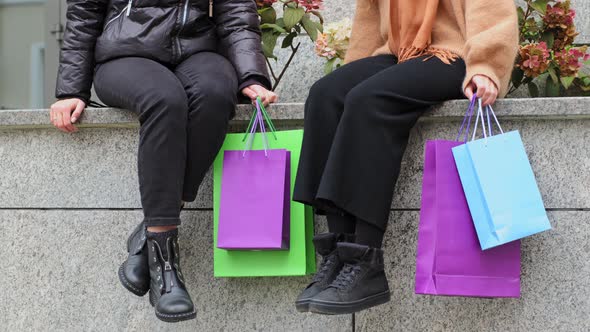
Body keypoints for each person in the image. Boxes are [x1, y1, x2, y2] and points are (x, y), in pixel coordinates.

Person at [50, 0, 277, 323]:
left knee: (215, 93)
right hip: (123, 54)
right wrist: (72, 90)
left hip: (196, 48)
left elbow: (237, 12)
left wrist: (251, 75)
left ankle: (148, 236)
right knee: (165, 99)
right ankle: (165, 265)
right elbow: (84, 14)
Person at [293, 0, 518, 315]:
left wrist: (487, 66)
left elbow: (491, 9)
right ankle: (340, 253)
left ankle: (366, 259)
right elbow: (369, 22)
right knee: (325, 96)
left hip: (454, 54)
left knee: (369, 99)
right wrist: (355, 73)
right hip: (399, 55)